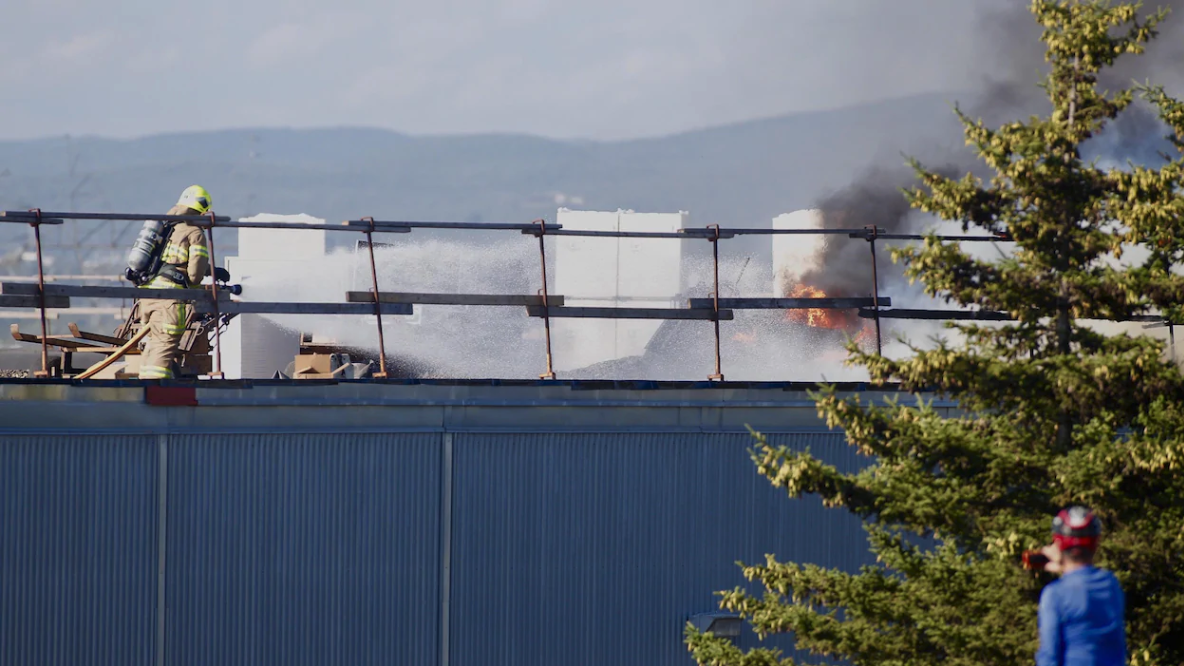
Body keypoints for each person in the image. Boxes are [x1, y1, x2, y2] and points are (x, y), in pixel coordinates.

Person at [137, 185, 212, 379]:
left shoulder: (166, 227)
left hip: (147, 296)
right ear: (202, 209)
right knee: (164, 346)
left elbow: (169, 261)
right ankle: (156, 393)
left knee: (153, 345)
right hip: (169, 301)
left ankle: (143, 386)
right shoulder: (194, 232)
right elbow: (194, 275)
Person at [1035, 506, 1126, 666]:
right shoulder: (1110, 584)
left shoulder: (1055, 594)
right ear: (1096, 542)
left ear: (1057, 542)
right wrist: (1065, 566)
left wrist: (1063, 566)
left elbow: (1049, 656)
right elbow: (1083, 584)